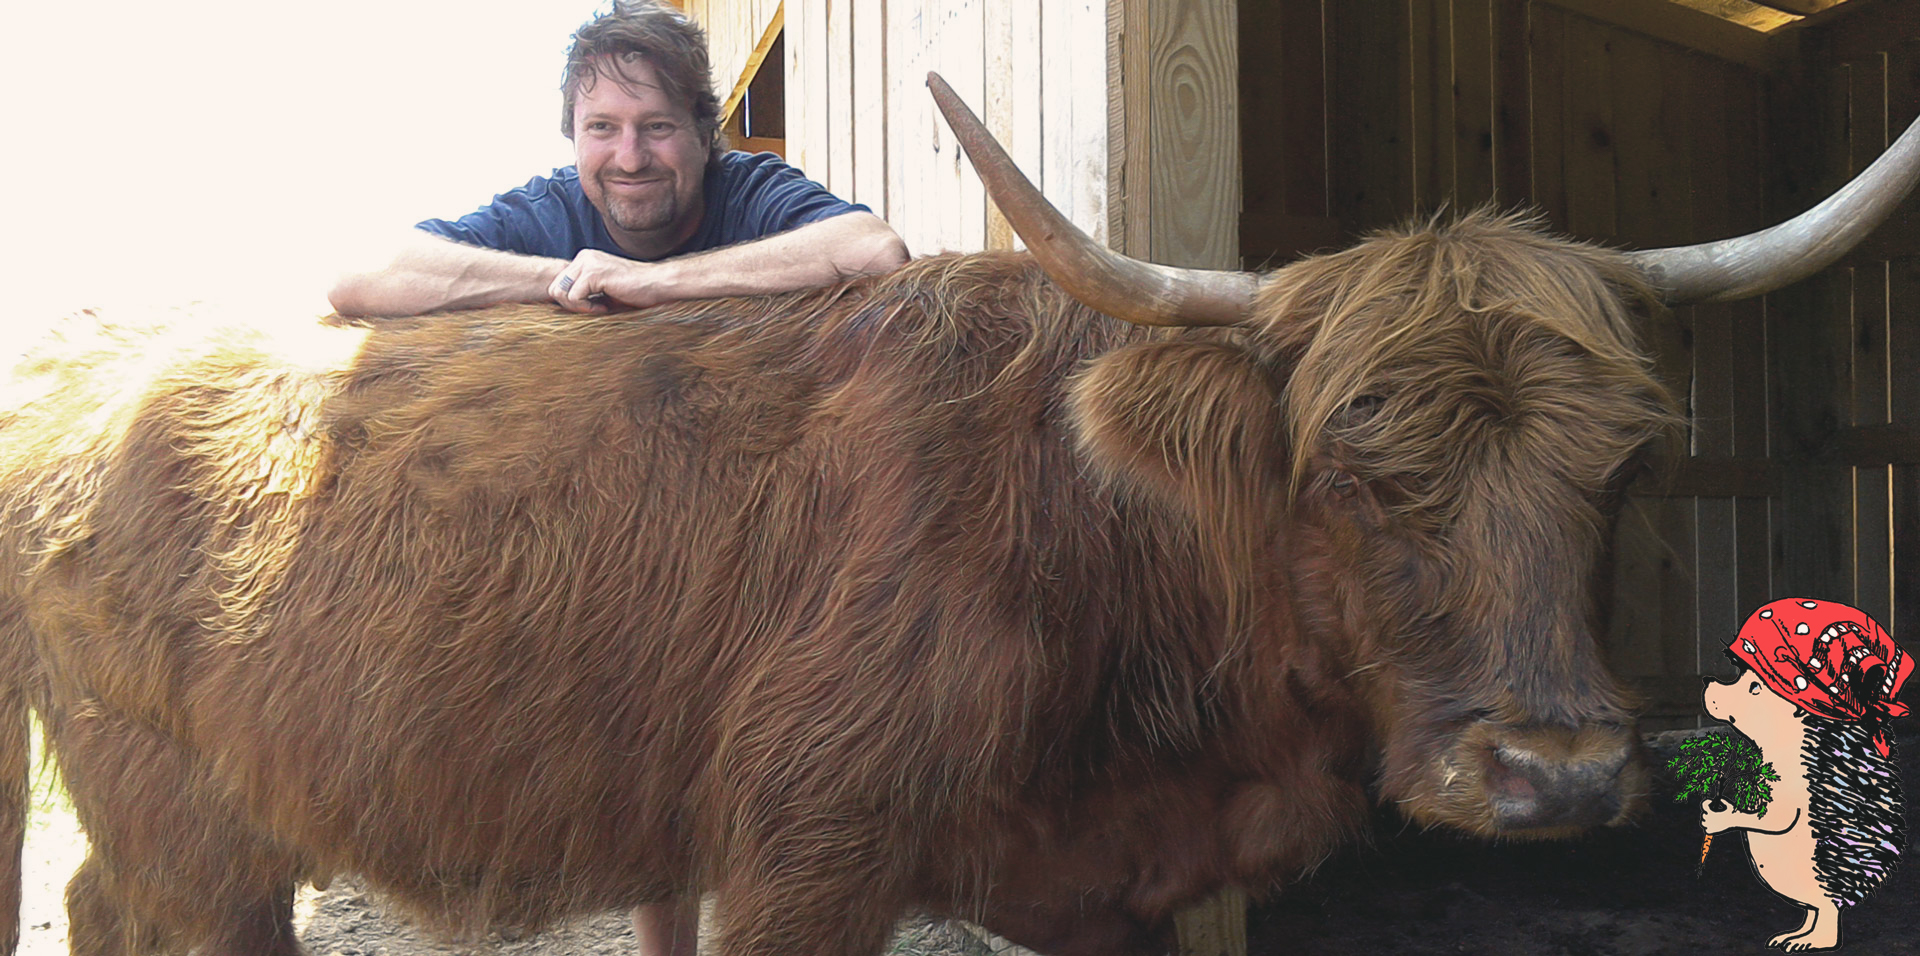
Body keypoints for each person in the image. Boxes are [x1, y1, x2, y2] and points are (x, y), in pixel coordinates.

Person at [328, 0, 907, 318]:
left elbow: (874, 249)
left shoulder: (748, 187)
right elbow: (359, 276)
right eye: (602, 128)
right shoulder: (546, 210)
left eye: (657, 126)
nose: (630, 159)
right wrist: (557, 278)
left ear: (706, 135)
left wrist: (653, 282)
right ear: (572, 136)